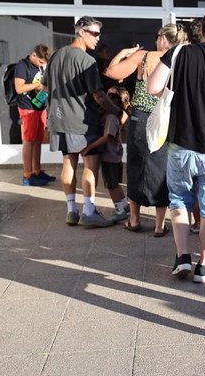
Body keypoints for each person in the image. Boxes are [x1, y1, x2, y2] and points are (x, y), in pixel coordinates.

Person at [147, 11, 205, 284]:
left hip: (180, 143)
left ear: (202, 30)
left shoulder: (180, 52)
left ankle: (182, 256)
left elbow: (153, 87)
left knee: (179, 200)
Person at [42, 16, 126, 228]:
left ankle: (71, 210)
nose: (98, 39)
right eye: (95, 33)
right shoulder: (86, 60)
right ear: (81, 31)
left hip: (59, 120)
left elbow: (44, 88)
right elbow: (98, 95)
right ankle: (89, 210)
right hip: (81, 121)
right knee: (91, 164)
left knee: (68, 162)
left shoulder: (55, 56)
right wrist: (117, 111)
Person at [105, 23, 188, 236]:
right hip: (165, 120)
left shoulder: (143, 56)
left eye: (158, 36)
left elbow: (112, 72)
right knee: (161, 170)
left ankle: (134, 219)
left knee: (135, 166)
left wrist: (124, 53)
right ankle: (160, 225)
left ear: (163, 39)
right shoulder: (180, 60)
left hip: (140, 118)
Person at [80, 87, 131, 223]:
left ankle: (120, 211)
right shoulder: (110, 117)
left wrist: (89, 147)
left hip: (110, 156)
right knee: (115, 183)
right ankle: (124, 206)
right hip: (113, 156)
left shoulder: (110, 117)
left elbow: (107, 136)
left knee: (111, 184)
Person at [14, 44, 55, 186]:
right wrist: (37, 85)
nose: (43, 65)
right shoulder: (22, 65)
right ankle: (27, 175)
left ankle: (37, 171)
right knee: (29, 141)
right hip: (28, 108)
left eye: (45, 63)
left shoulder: (39, 67)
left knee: (38, 140)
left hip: (40, 106)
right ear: (34, 55)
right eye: (41, 62)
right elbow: (19, 88)